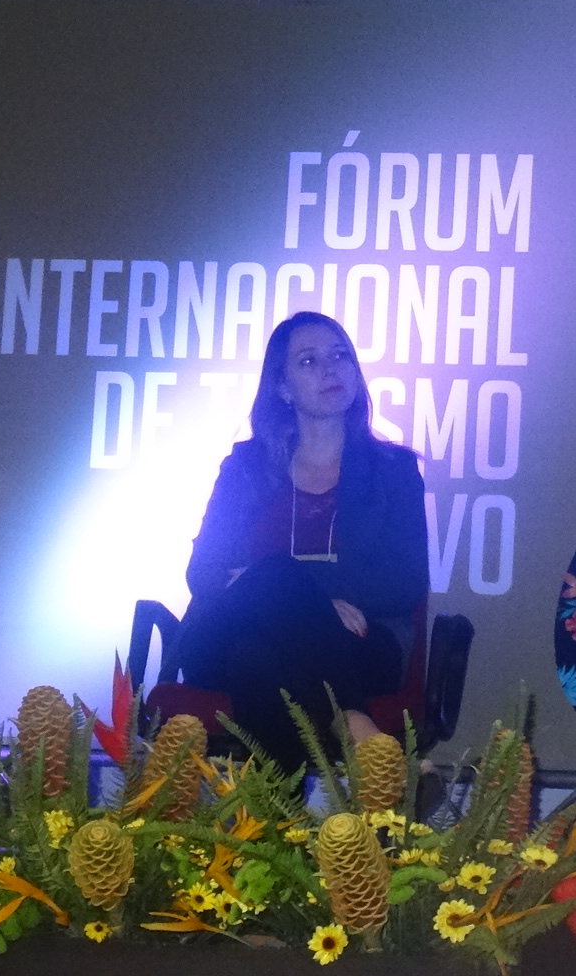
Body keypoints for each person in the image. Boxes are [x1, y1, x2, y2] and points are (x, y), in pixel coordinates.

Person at [180, 311, 428, 769]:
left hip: (359, 643)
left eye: (340, 356)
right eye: (309, 361)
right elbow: (204, 573)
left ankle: (277, 812)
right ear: (282, 387)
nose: (330, 369)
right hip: (221, 635)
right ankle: (359, 731)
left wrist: (293, 593)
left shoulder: (393, 471)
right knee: (274, 580)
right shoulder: (245, 468)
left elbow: (406, 580)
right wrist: (316, 599)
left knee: (255, 659)